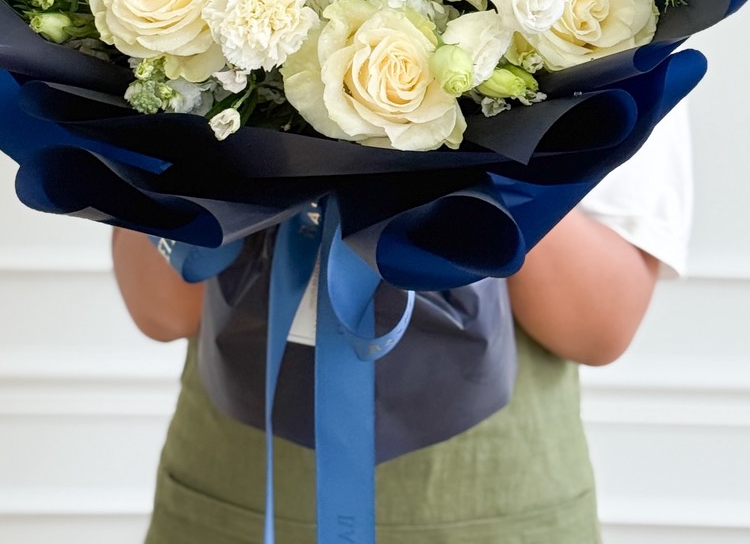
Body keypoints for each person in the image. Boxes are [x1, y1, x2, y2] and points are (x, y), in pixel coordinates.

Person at [113, 103, 693, 544]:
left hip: (497, 508)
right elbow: (164, 311)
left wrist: (467, 141)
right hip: (232, 499)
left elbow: (599, 329)